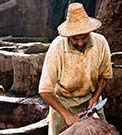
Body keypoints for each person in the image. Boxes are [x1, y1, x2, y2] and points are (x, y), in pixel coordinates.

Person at [39, 3, 112, 135]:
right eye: (75, 39)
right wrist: (67, 115)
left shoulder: (101, 42)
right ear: (68, 35)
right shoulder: (57, 47)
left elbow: (104, 76)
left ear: (90, 32)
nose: (80, 43)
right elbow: (45, 91)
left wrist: (95, 97)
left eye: (84, 37)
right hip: (63, 103)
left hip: (91, 102)